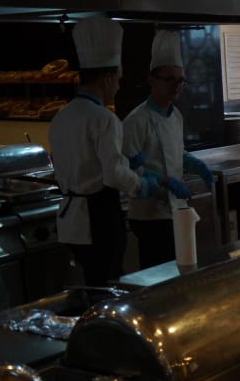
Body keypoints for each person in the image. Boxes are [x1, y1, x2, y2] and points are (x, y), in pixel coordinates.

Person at [48, 16, 168, 286]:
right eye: (118, 79)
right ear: (107, 78)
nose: (118, 86)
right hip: (99, 219)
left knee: (90, 285)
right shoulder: (104, 118)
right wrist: (142, 185)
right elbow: (113, 175)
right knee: (107, 287)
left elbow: (86, 162)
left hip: (70, 221)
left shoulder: (61, 116)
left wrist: (125, 162)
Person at [122, 30, 213, 269]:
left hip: (174, 209)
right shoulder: (136, 120)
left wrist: (195, 164)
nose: (177, 86)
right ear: (152, 80)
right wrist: (164, 180)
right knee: (158, 274)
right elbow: (127, 167)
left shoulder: (176, 115)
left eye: (181, 80)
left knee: (179, 269)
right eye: (170, 79)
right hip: (148, 215)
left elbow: (176, 153)